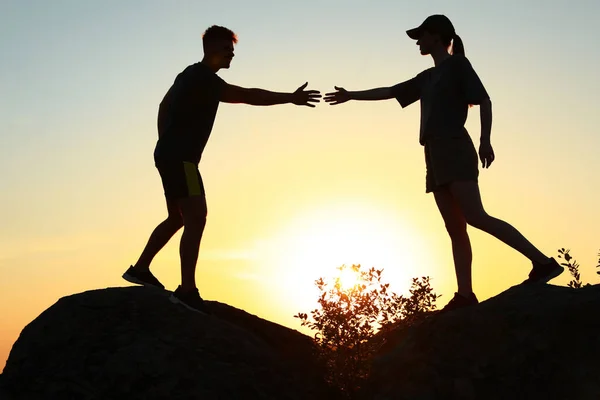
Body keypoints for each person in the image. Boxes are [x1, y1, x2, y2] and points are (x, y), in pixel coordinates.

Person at [323, 15, 563, 312]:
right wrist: (351, 96)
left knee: (475, 216)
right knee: (455, 227)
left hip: (454, 147)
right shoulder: (427, 77)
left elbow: (484, 101)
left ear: (436, 36)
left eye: (420, 36)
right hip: (434, 153)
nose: (417, 42)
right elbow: (390, 91)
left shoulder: (458, 65)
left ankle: (543, 263)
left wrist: (485, 140)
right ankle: (465, 294)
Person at [123, 25, 321, 314]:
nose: (232, 55)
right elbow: (248, 95)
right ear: (213, 49)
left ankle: (140, 269)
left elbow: (163, 104)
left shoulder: (188, 74)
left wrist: (164, 141)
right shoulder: (204, 78)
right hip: (182, 158)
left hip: (168, 154)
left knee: (177, 217)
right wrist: (289, 97)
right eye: (228, 49)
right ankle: (187, 290)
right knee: (197, 218)